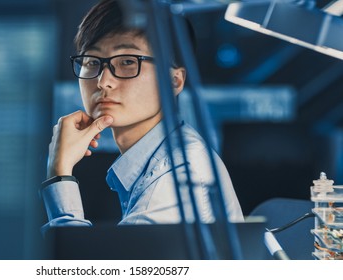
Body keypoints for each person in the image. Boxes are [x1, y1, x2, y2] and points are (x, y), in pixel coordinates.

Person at [41, 0, 243, 231]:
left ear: (174, 81)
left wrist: (60, 173)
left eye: (128, 61)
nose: (103, 82)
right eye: (92, 62)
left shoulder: (176, 178)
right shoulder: (168, 157)